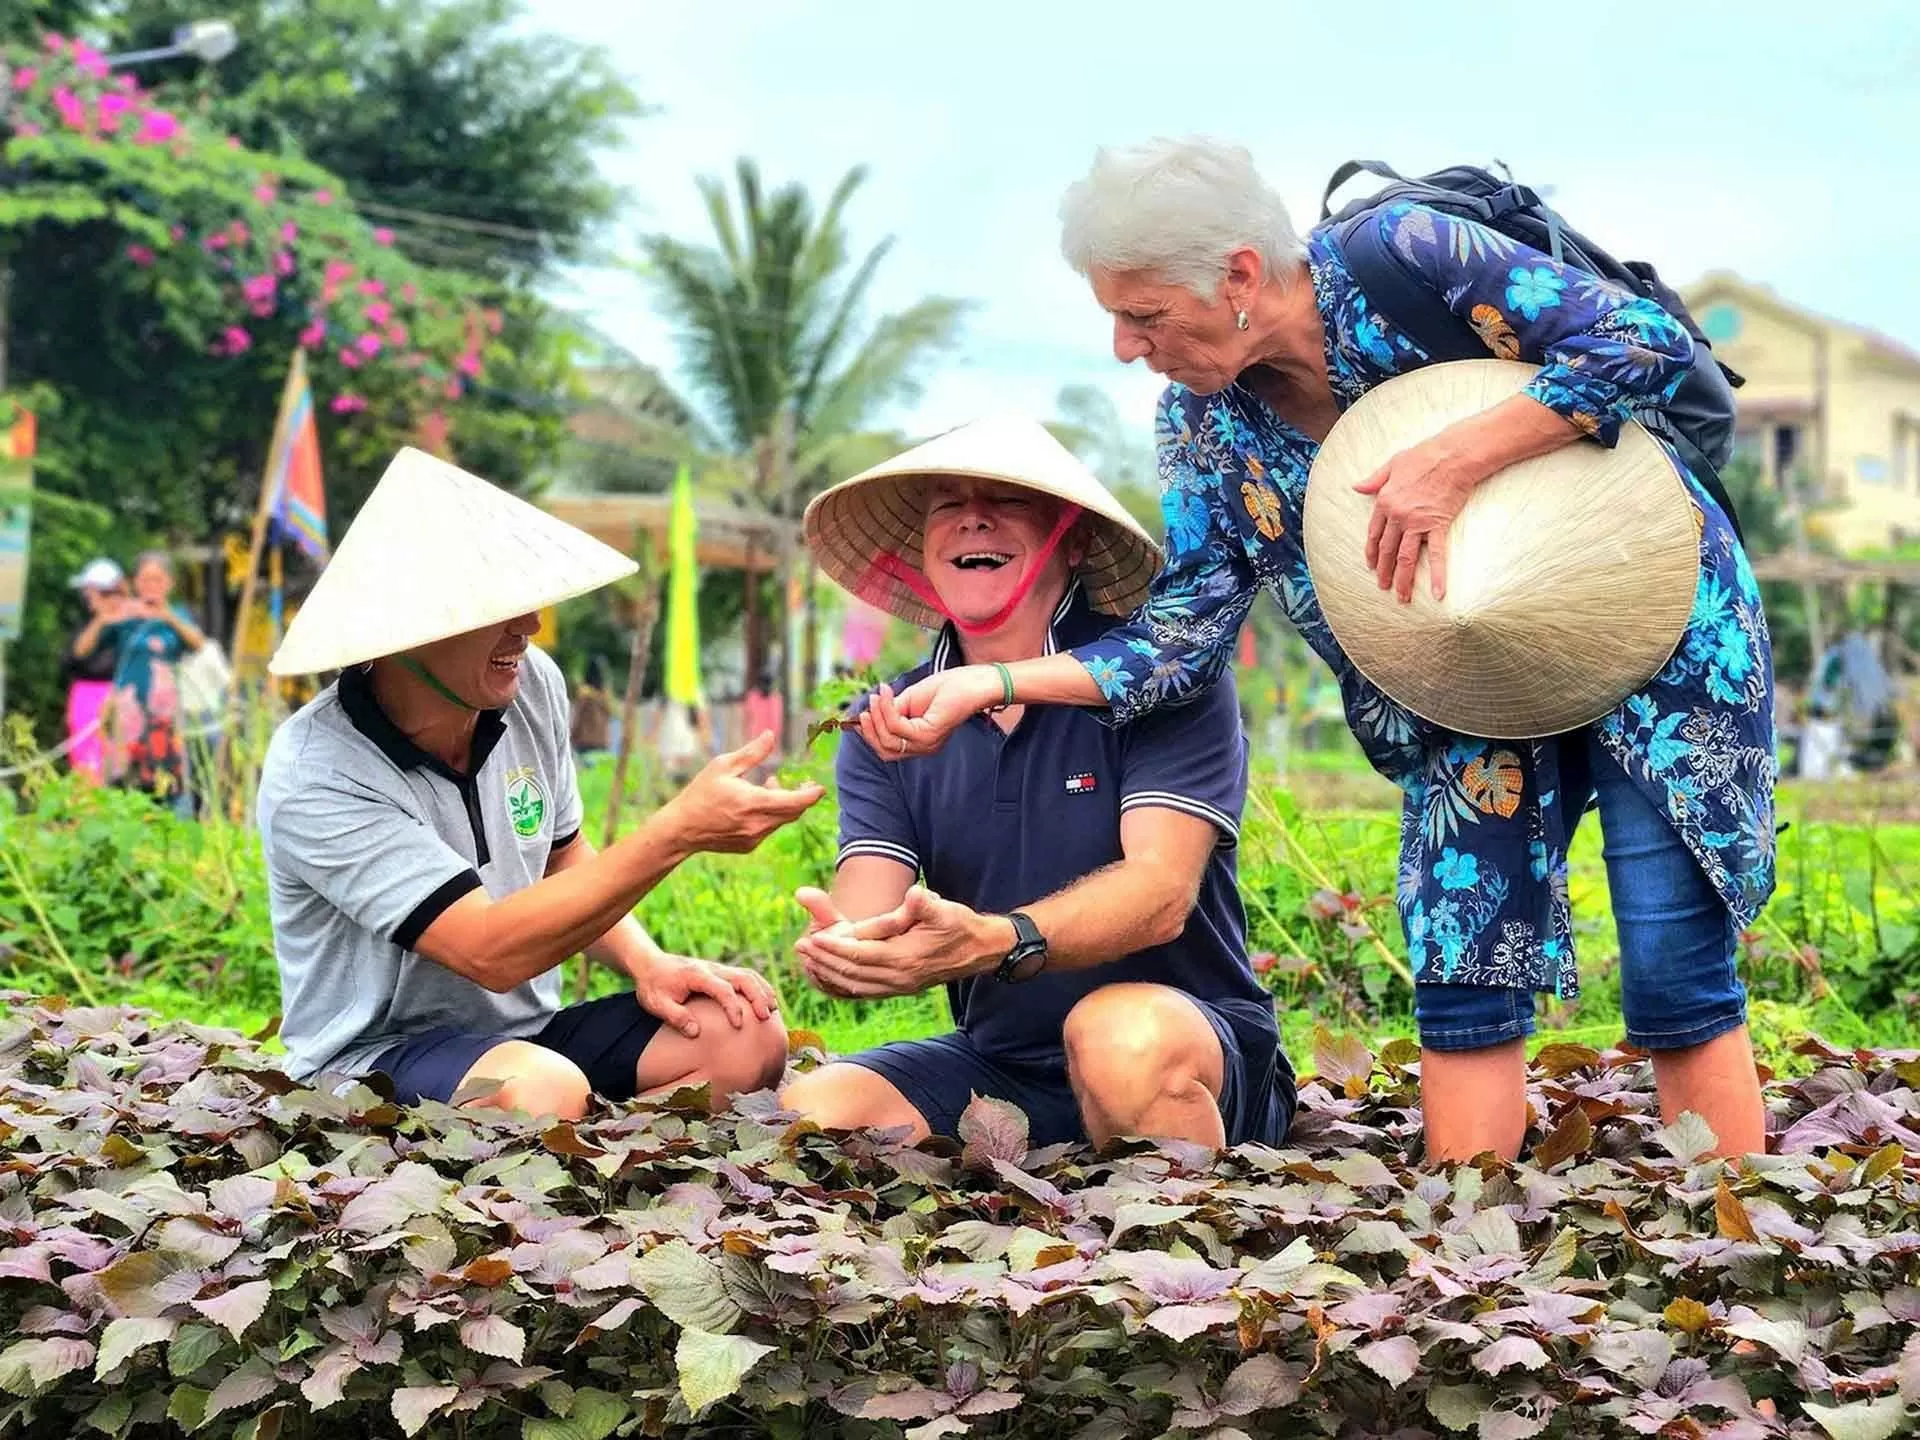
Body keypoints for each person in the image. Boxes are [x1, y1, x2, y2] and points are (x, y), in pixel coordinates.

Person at [864, 139, 1777, 1164]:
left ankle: (1732, 1238)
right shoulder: (1206, 425)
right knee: (1461, 940)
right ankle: (1471, 1237)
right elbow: (1180, 638)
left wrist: (1452, 457)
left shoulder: (1404, 255)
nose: (1126, 345)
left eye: (1146, 315)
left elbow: (1641, 341)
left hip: (1645, 608)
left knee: (1670, 941)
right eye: (1116, 318)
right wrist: (987, 682)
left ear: (1242, 276)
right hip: (1460, 671)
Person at [257, 448, 824, 1120]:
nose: (526, 627)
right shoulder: (317, 772)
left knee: (746, 1035)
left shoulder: (530, 689)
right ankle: (572, 1130)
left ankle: (587, 1147)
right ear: (408, 631)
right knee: (542, 1091)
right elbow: (487, 950)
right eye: (496, 610)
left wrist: (649, 963)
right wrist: (676, 832)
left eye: (525, 603)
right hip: (373, 1058)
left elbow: (562, 856)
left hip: (525, 1038)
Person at [780, 416, 1296, 1151]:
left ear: (1074, 540)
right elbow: (869, 908)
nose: (973, 518)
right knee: (815, 1111)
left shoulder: (1166, 682)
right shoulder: (886, 722)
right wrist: (849, 951)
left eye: (1007, 500)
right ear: (924, 551)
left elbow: (1161, 897)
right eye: (947, 504)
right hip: (1004, 1062)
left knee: (1116, 1038)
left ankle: (1189, 1236)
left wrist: (1000, 939)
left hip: (1183, 1041)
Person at [99, 550, 206, 808]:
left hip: (164, 713)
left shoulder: (177, 615)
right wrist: (110, 616)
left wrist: (167, 615)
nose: (151, 586)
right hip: (129, 709)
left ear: (169, 583)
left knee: (165, 778)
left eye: (158, 580)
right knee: (125, 779)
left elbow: (198, 643)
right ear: (135, 582)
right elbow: (85, 650)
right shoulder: (125, 616)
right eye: (146, 580)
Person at [64, 557, 128, 784]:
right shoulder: (88, 626)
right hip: (85, 700)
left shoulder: (129, 624)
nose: (87, 598)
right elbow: (74, 657)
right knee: (86, 767)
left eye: (91, 592)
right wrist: (101, 619)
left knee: (119, 766)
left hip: (120, 699)